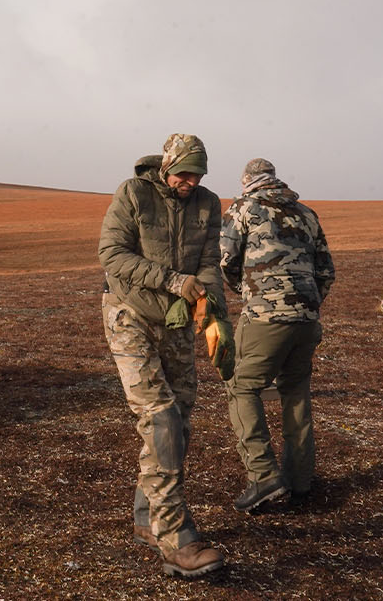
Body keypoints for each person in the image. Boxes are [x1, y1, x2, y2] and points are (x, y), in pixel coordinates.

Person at [98, 133, 228, 578]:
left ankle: (146, 519)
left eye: (198, 173)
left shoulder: (209, 204)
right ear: (168, 165)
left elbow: (211, 262)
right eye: (185, 172)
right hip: (130, 314)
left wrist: (216, 318)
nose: (191, 181)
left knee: (181, 417)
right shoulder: (133, 194)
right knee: (160, 417)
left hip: (175, 321)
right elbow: (112, 254)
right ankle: (175, 537)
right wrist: (175, 281)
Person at [219, 157, 335, 513]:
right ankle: (300, 480)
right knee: (295, 391)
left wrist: (252, 295)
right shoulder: (306, 213)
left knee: (241, 386)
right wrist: (307, 303)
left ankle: (263, 473)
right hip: (307, 319)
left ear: (247, 182)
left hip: (265, 318)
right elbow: (326, 271)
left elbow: (226, 261)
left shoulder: (242, 208)